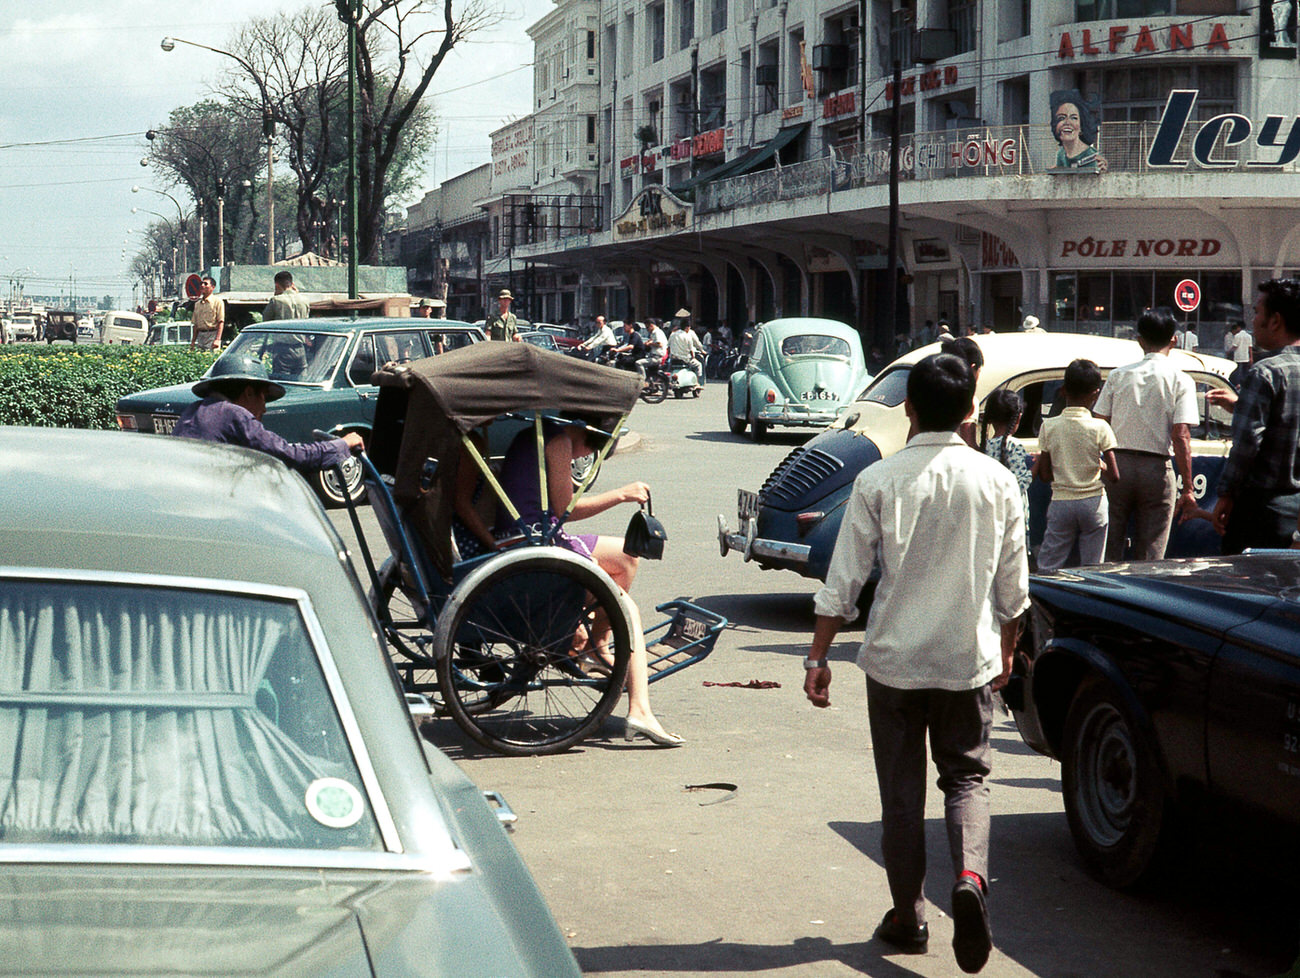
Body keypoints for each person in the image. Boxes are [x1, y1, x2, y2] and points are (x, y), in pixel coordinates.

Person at [804, 353, 1028, 975]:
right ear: (970, 412)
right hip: (967, 659)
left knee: (900, 797)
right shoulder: (997, 480)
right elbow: (1014, 587)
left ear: (908, 409)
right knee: (967, 778)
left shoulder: (879, 481)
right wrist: (1007, 648)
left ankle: (909, 916)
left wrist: (817, 656)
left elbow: (842, 581)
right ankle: (970, 877)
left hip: (894, 663)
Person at [496, 417, 682, 746]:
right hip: (534, 544)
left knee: (626, 558)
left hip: (538, 534)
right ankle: (640, 710)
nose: (583, 456)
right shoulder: (557, 441)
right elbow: (568, 507)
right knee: (628, 610)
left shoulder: (541, 434)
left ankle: (599, 646)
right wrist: (622, 494)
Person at [1091, 308, 1198, 561]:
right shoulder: (1181, 380)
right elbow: (1181, 435)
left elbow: (1099, 423)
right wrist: (1188, 487)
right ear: (1175, 339)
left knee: (1110, 542)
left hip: (1116, 466)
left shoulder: (1118, 376)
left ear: (1139, 340)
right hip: (1156, 469)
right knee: (1152, 548)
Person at [1207, 278, 1300, 553]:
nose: (1254, 320)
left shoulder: (1265, 372)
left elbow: (1247, 443)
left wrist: (1225, 494)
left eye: (1257, 312)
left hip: (1260, 511)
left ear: (1275, 321)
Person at [172, 355, 362, 471]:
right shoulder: (233, 414)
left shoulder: (194, 411)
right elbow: (291, 455)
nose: (264, 409)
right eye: (263, 398)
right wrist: (342, 444)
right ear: (248, 392)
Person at [1033, 359, 1119, 571]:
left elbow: (1044, 475)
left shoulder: (1049, 426)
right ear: (1096, 394)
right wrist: (1099, 465)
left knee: (1049, 565)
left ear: (1063, 390)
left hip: (1061, 502)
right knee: (1092, 567)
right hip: (1093, 503)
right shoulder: (1101, 427)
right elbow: (1115, 475)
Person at [983, 389, 1033, 548]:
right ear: (1018, 417)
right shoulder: (1014, 445)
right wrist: (1037, 464)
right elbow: (1020, 485)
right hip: (1013, 517)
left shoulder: (985, 446)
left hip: (992, 516)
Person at [1049, 89, 1108, 172]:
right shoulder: (1061, 154)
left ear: (1081, 126)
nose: (1067, 122)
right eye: (1061, 118)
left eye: (1074, 118)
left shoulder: (1091, 156)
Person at [190, 276, 224, 351]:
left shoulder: (217, 302)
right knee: (200, 359)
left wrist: (217, 339)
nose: (202, 286)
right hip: (200, 336)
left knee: (211, 358)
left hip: (212, 335)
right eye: (201, 283)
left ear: (213, 287)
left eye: (205, 284)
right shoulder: (197, 304)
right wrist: (193, 341)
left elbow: (220, 322)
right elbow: (195, 325)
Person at [668, 318, 706, 384]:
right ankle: (697, 383)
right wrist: (699, 352)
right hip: (685, 359)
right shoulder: (688, 335)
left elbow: (668, 347)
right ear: (687, 327)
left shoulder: (672, 334)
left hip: (673, 359)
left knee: (669, 368)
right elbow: (693, 348)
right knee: (698, 365)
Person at [1224, 318, 1253, 386]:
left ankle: (1237, 384)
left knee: (1237, 373)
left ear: (1239, 327)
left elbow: (1235, 346)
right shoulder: (1249, 336)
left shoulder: (1237, 336)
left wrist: (1228, 352)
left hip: (1238, 357)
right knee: (1245, 372)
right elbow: (1250, 348)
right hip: (1246, 357)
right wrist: (1251, 358)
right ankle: (1244, 384)